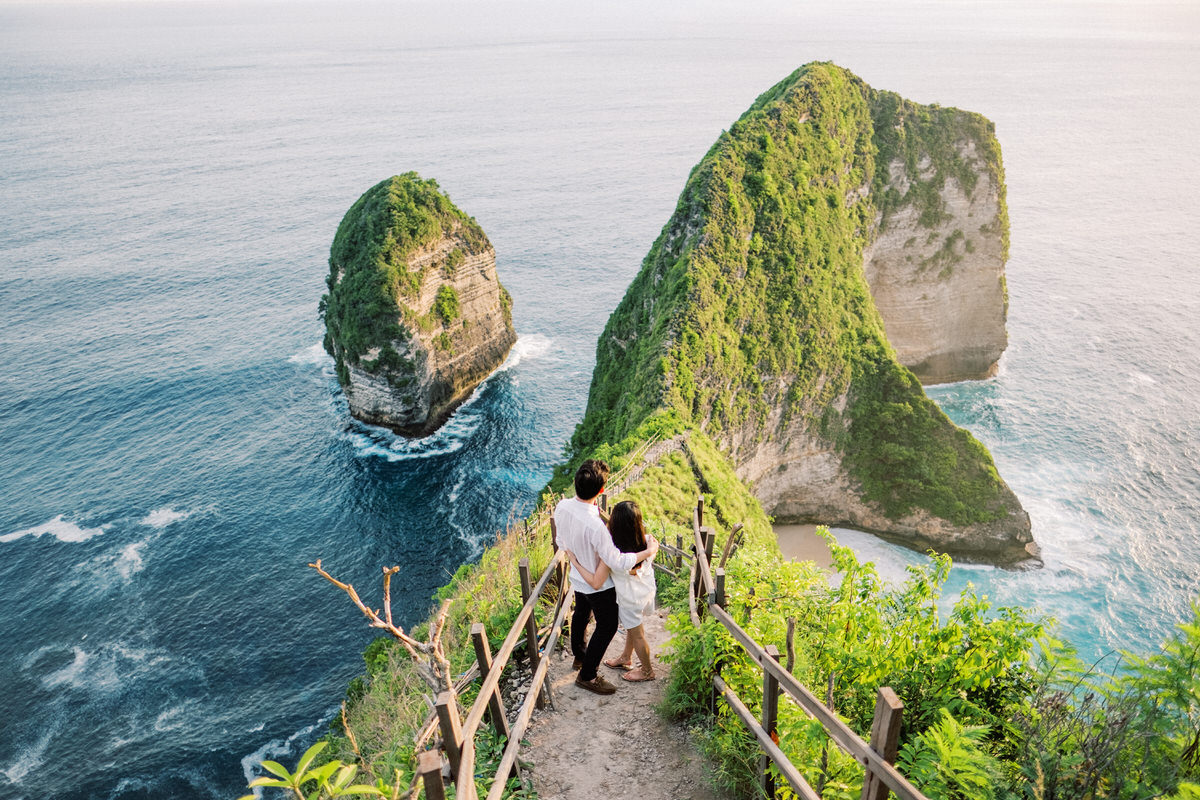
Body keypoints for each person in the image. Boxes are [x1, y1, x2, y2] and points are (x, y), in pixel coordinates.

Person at [554, 460, 658, 695]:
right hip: (597, 585)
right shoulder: (596, 526)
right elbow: (618, 562)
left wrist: (574, 558)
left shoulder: (561, 507)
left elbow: (561, 540)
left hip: (579, 579)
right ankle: (588, 675)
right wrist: (648, 552)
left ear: (576, 482)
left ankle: (580, 658)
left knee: (580, 615)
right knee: (608, 625)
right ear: (601, 491)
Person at [566, 500, 657, 682]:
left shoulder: (614, 554)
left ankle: (647, 671)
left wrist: (575, 563)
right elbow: (649, 550)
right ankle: (626, 657)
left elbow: (596, 581)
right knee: (634, 628)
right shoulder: (648, 542)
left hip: (630, 599)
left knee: (637, 634)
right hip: (645, 592)